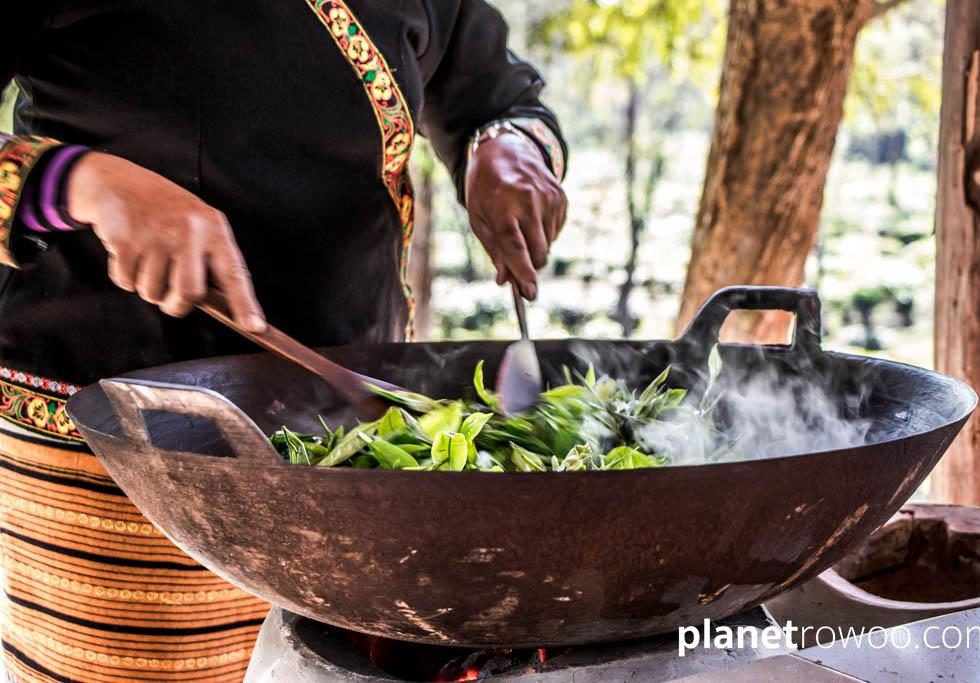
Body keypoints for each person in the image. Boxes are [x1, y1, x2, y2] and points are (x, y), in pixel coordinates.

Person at [0, 2, 567, 681]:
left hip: (359, 444)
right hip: (130, 450)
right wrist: (81, 184)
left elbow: (492, 94)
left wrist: (506, 147)